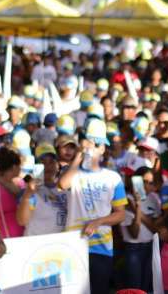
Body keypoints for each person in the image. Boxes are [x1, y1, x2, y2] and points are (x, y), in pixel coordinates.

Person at [59, 119, 127, 294]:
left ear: (103, 148)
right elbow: (62, 184)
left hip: (101, 247)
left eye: (97, 144)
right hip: (74, 245)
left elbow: (121, 214)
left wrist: (98, 222)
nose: (92, 148)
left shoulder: (113, 178)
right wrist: (78, 156)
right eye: (88, 142)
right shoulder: (74, 173)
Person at [121, 166, 161, 293]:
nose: (146, 186)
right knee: (135, 288)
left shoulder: (154, 198)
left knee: (147, 286)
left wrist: (137, 211)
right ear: (136, 180)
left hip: (151, 246)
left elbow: (156, 228)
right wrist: (137, 206)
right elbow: (134, 233)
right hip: (133, 249)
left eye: (151, 183)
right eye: (144, 181)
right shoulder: (125, 200)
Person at [17, 143, 68, 236]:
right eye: (42, 162)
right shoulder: (31, 193)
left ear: (58, 165)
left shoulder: (66, 189)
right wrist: (28, 194)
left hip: (61, 246)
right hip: (38, 246)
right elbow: (22, 221)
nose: (47, 166)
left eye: (51, 161)